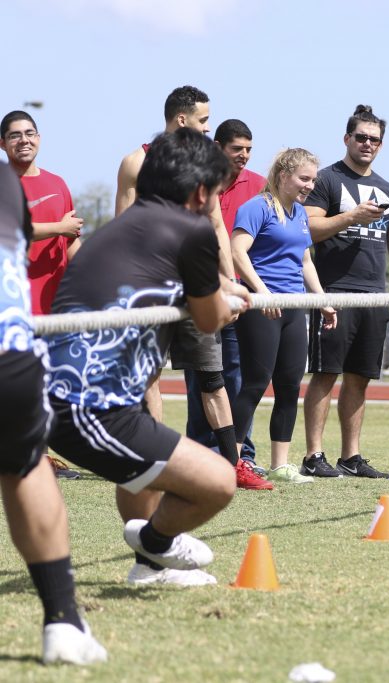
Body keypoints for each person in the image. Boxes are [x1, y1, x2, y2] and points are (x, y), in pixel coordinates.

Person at [46, 128, 248, 587]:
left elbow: (178, 281)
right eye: (216, 193)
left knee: (143, 473)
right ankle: (156, 542)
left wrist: (222, 287)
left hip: (73, 401)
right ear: (201, 191)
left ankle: (149, 569)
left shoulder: (122, 228)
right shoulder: (192, 230)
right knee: (219, 481)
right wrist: (229, 304)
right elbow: (210, 319)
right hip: (87, 408)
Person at [0, 162, 107, 665]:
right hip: (9, 348)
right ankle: (62, 621)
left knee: (27, 467)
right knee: (26, 470)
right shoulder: (6, 182)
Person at [114, 86, 242, 484]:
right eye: (204, 121)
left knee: (212, 378)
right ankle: (154, 463)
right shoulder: (136, 163)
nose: (207, 128)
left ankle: (234, 464)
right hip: (151, 289)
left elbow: (217, 225)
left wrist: (229, 280)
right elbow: (123, 228)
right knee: (149, 377)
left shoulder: (204, 163)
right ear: (182, 119)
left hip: (195, 283)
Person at [301, 105, 389, 479]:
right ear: (347, 138)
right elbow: (309, 229)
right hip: (334, 294)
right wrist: (352, 216)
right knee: (325, 374)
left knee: (359, 377)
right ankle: (313, 455)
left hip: (374, 296)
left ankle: (350, 457)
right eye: (362, 137)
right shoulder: (325, 180)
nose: (368, 144)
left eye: (374, 140)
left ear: (381, 145)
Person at [230, 148, 337, 484]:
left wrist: (321, 300)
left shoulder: (300, 213)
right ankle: (231, 463)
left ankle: (280, 465)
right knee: (254, 384)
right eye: (304, 178)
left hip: (293, 308)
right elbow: (236, 252)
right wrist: (261, 292)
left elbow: (304, 261)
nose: (310, 185)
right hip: (262, 307)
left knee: (289, 386)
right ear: (283, 175)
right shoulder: (257, 207)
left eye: (313, 180)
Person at [179, 118, 270, 490]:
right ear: (218, 147)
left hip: (244, 295)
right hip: (205, 292)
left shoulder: (260, 185)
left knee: (237, 377)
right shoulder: (200, 181)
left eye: (249, 149)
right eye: (237, 149)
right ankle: (202, 452)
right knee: (202, 376)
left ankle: (241, 454)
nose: (244, 156)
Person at [1, 110, 83, 480]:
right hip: (13, 301)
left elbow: (71, 239)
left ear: (39, 137)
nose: (24, 140)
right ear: (2, 144)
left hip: (55, 303)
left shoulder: (57, 183)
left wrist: (89, 278)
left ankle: (39, 456)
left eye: (30, 133)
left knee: (47, 384)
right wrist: (59, 227)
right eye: (15, 135)